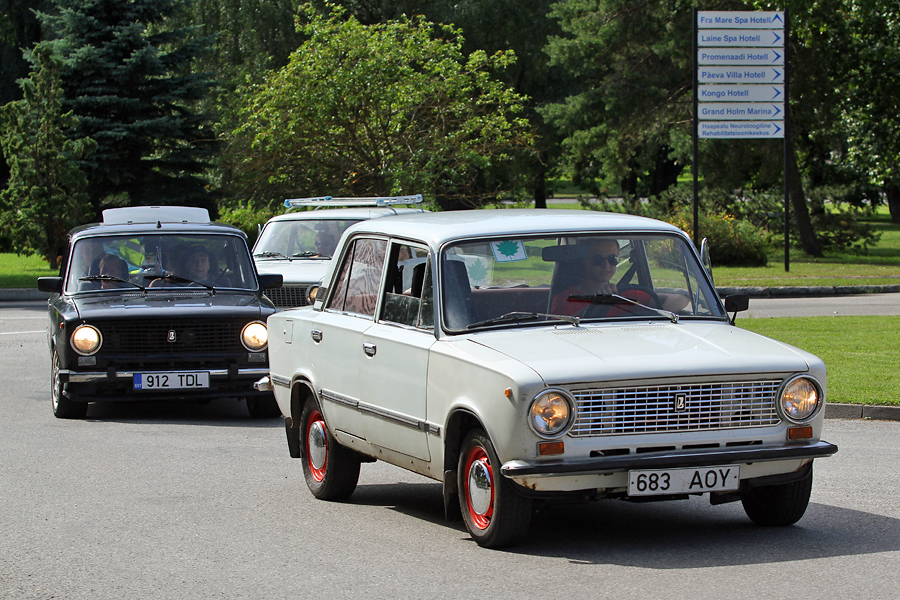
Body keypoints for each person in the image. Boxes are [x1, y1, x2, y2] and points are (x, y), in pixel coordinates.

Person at [550, 238, 620, 316]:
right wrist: (596, 305)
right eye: (598, 259)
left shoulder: (625, 295)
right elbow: (563, 323)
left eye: (612, 259)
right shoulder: (565, 299)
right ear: (584, 260)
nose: (606, 265)